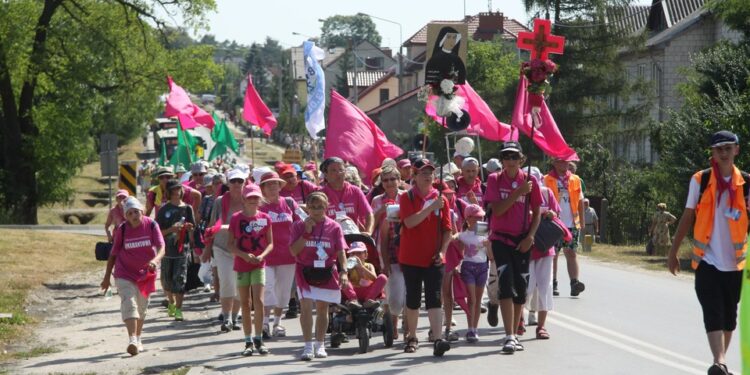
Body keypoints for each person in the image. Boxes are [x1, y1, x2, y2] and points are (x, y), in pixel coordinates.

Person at [669, 130, 747, 375]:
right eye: (718, 149)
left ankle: (720, 363)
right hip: (706, 261)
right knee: (712, 309)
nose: (723, 153)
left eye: (728, 148)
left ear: (736, 150)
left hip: (735, 264)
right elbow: (688, 215)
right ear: (713, 153)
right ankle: (719, 361)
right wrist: (673, 251)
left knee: (730, 315)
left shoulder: (746, 183)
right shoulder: (701, 180)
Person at [484, 141, 542, 354]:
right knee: (505, 286)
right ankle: (508, 335)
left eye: (514, 157)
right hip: (500, 240)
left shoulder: (531, 181)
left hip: (523, 241)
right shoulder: (494, 180)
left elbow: (537, 214)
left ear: (522, 160)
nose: (510, 161)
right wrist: (517, 193)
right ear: (501, 160)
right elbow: (497, 210)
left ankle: (516, 333)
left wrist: (530, 237)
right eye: (506, 157)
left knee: (521, 289)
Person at [398, 159, 452, 357]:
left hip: (434, 259)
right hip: (411, 258)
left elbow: (448, 230)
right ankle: (412, 337)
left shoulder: (442, 199)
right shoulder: (407, 198)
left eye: (430, 172)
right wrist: (430, 207)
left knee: (434, 298)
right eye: (423, 173)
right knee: (412, 300)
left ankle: (438, 339)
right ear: (414, 176)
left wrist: (443, 251)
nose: (428, 175)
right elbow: (410, 222)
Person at [100, 197, 165, 356]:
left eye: (136, 212)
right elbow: (113, 254)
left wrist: (155, 260)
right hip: (124, 273)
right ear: (126, 216)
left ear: (141, 211)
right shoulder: (122, 229)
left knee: (142, 308)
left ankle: (138, 337)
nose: (134, 215)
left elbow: (161, 247)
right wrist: (107, 277)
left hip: (146, 274)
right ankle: (132, 340)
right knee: (129, 304)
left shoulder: (151, 224)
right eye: (130, 213)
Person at [290, 192, 349, 361]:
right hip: (304, 271)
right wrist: (307, 233)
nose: (317, 211)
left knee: (323, 309)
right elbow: (293, 251)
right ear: (307, 207)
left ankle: (320, 344)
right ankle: (308, 345)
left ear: (326, 207)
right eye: (313, 207)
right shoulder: (298, 226)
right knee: (306, 308)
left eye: (320, 207)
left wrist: (344, 271)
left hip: (326, 271)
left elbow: (340, 251)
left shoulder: (334, 227)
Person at [228, 184, 273, 356]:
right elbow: (230, 244)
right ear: (244, 199)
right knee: (245, 303)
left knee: (259, 302)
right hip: (242, 265)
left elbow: (270, 243)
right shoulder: (236, 218)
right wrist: (244, 255)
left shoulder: (265, 218)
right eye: (250, 197)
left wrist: (262, 256)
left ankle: (259, 338)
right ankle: (248, 341)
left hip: (259, 265)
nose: (253, 200)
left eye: (256, 197)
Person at [202, 168, 249, 332]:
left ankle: (236, 317)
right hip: (222, 247)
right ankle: (227, 318)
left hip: (243, 249)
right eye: (233, 181)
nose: (237, 184)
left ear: (245, 182)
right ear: (228, 183)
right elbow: (212, 226)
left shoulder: (249, 200)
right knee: (227, 282)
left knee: (240, 284)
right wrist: (207, 249)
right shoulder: (220, 201)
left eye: (240, 181)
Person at [259, 171, 300, 339]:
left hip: (288, 256)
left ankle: (277, 323)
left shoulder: (289, 203)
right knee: (268, 289)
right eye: (269, 184)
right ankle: (264, 323)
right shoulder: (258, 206)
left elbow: (302, 221)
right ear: (262, 188)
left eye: (275, 183)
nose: (273, 186)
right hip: (265, 257)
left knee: (283, 292)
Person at [525, 166, 561, 340]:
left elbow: (556, 215)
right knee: (526, 287)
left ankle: (541, 326)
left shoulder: (547, 193)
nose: (534, 182)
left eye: (536, 178)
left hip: (545, 247)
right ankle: (518, 321)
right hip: (526, 247)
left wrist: (551, 214)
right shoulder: (522, 194)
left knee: (544, 287)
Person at [544, 157, 586, 297]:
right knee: (553, 255)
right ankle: (553, 282)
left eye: (566, 161)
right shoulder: (547, 179)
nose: (565, 164)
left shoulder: (575, 179)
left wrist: (582, 221)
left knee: (571, 253)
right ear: (554, 163)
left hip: (571, 223)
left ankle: (574, 283)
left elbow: (580, 201)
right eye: (561, 161)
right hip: (553, 222)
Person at [155, 179, 196, 321]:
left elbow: (192, 227)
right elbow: (157, 231)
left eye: (178, 189)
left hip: (182, 250)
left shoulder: (187, 208)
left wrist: (189, 229)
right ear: (169, 192)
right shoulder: (163, 210)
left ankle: (179, 309)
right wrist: (171, 229)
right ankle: (171, 302)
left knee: (180, 280)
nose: (176, 192)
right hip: (167, 251)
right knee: (167, 282)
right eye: (173, 189)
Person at [375, 166, 407, 340]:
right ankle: (392, 325)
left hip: (406, 245)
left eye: (392, 179)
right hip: (385, 247)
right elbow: (371, 222)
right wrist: (381, 211)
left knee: (408, 291)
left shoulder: (407, 197)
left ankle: (408, 327)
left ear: (399, 180)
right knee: (392, 291)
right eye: (385, 180)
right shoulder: (377, 200)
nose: (389, 183)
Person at [454, 204, 493, 343]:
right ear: (468, 218)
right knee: (471, 299)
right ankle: (470, 328)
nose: (480, 219)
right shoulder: (463, 235)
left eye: (481, 216)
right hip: (468, 267)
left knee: (478, 300)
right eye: (476, 217)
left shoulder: (484, 233)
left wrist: (488, 246)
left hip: (482, 267)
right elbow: (455, 240)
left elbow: (491, 257)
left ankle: (474, 329)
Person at [320, 157, 374, 234]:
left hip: (352, 238)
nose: (338, 173)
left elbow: (369, 214)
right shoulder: (320, 194)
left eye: (341, 170)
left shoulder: (355, 191)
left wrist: (368, 232)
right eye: (333, 170)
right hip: (330, 238)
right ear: (326, 174)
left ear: (345, 172)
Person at [342, 241, 388, 308]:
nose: (356, 256)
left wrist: (361, 267)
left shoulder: (369, 265)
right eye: (353, 254)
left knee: (383, 277)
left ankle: (369, 300)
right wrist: (348, 269)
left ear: (365, 255)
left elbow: (374, 278)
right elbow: (344, 279)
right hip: (354, 291)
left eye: (359, 253)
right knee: (342, 277)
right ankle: (353, 300)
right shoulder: (349, 266)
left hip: (368, 291)